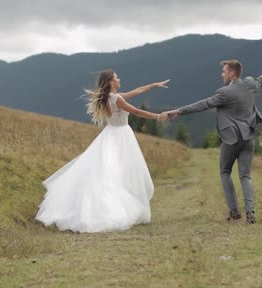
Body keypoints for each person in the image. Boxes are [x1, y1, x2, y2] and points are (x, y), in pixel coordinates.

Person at [35, 70, 169, 232]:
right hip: (121, 136)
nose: (119, 79)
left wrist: (154, 85)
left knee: (109, 171)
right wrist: (157, 117)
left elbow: (138, 90)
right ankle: (113, 210)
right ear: (112, 82)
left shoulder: (109, 98)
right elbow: (136, 112)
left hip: (110, 135)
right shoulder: (117, 99)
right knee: (119, 172)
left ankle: (114, 205)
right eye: (116, 78)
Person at [166, 60, 262, 224]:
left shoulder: (224, 92)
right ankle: (250, 213)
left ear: (232, 73)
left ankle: (235, 212)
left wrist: (179, 111)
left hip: (232, 139)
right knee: (245, 175)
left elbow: (204, 104)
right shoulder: (249, 84)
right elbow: (261, 80)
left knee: (224, 172)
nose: (221, 74)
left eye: (224, 71)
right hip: (249, 137)